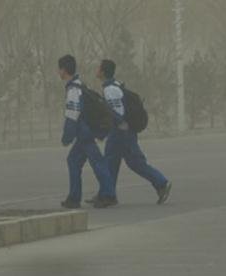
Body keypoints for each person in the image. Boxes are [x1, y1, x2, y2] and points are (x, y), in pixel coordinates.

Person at [97, 60, 172, 205]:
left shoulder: (110, 90)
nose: (96, 70)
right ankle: (107, 194)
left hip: (121, 132)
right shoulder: (113, 86)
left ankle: (161, 183)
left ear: (103, 72)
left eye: (98, 68)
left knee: (135, 162)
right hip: (119, 131)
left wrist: (120, 124)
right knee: (111, 162)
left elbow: (117, 111)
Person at [58, 55, 116, 209]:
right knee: (75, 161)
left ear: (63, 70)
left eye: (59, 69)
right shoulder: (79, 85)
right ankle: (75, 197)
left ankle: (107, 194)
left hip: (84, 133)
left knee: (96, 162)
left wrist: (66, 137)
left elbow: (72, 114)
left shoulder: (73, 89)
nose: (59, 72)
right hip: (87, 131)